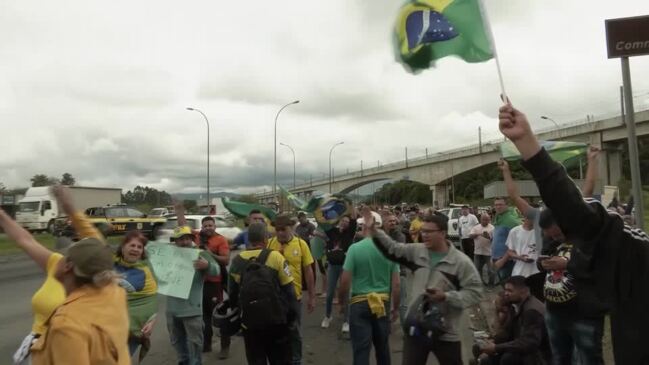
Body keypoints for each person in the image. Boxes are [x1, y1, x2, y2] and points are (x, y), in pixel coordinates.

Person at [498, 102, 649, 363]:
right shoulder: (637, 253)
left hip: (585, 311)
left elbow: (583, 198)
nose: (555, 234)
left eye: (557, 230)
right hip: (556, 310)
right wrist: (528, 144)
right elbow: (580, 211)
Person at [0, 186, 112, 365]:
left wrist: (70, 209)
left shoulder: (96, 282)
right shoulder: (58, 263)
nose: (66, 253)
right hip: (34, 348)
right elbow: (25, 240)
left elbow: (96, 244)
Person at [370, 213, 482, 365]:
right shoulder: (416, 251)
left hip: (446, 333)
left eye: (429, 232)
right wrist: (375, 230)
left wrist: (447, 297)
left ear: (442, 233)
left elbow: (475, 293)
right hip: (416, 328)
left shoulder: (461, 262)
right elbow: (392, 248)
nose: (424, 235)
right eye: (423, 231)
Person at [537, 209, 606, 365]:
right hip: (554, 312)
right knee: (560, 358)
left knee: (589, 359)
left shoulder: (589, 237)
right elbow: (543, 257)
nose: (553, 238)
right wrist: (542, 263)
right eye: (550, 235)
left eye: (556, 234)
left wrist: (568, 264)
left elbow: (602, 267)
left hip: (583, 315)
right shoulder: (552, 239)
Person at [228, 222, 298, 365]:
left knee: (256, 360)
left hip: (250, 323)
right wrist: (291, 318)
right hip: (276, 321)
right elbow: (289, 291)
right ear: (266, 239)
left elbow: (232, 293)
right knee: (280, 360)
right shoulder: (276, 257)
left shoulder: (237, 260)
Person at [339, 212, 400, 365]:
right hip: (382, 303)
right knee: (382, 347)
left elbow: (344, 282)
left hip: (359, 302)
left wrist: (342, 303)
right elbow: (397, 284)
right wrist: (396, 308)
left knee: (361, 349)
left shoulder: (354, 249)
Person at [164, 223, 219, 365]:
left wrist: (207, 266)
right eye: (180, 239)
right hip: (172, 309)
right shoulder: (168, 255)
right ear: (175, 241)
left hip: (192, 309)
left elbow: (216, 271)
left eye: (187, 238)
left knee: (195, 345)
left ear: (192, 239)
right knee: (177, 342)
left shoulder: (200, 253)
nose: (184, 242)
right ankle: (183, 362)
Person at [268, 214, 315, 365]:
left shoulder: (301, 245)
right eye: (278, 229)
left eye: (283, 229)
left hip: (294, 297)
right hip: (274, 298)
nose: (280, 233)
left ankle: (296, 360)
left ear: (291, 228)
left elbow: (309, 271)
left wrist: (312, 298)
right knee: (275, 332)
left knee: (294, 331)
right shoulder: (269, 244)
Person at [476, 276, 550, 365]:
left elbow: (529, 342)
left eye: (510, 291)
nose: (506, 293)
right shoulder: (515, 304)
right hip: (521, 348)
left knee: (508, 359)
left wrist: (497, 348)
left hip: (538, 355)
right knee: (482, 353)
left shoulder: (532, 311)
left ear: (523, 292)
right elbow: (509, 332)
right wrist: (493, 341)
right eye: (505, 290)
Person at [113, 230, 159, 360]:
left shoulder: (142, 270)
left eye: (139, 247)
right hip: (110, 326)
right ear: (123, 247)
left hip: (133, 330)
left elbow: (151, 295)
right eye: (132, 245)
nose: (136, 249)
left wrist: (153, 318)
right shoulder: (113, 263)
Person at [195, 216, 231, 358]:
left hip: (215, 282)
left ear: (215, 226)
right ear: (202, 227)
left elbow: (226, 260)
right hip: (199, 282)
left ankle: (225, 346)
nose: (208, 228)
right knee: (204, 316)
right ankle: (207, 344)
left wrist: (211, 254)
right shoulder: (198, 237)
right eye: (205, 226)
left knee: (218, 315)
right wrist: (179, 211)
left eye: (211, 225)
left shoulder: (221, 240)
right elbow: (183, 226)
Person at [322, 213, 358, 333]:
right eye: (343, 220)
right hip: (333, 266)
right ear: (339, 221)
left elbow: (353, 219)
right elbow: (324, 222)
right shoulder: (333, 232)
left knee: (346, 294)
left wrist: (348, 205)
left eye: (347, 222)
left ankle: (346, 321)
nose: (344, 223)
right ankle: (328, 316)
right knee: (330, 293)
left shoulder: (350, 233)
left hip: (345, 267)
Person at [491, 197, 521, 282]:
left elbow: (516, 245)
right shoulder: (498, 217)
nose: (498, 207)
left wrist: (503, 260)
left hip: (507, 261)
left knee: (510, 287)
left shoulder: (511, 220)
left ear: (507, 205)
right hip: (497, 259)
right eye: (496, 205)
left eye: (500, 204)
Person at [469, 214, 495, 286]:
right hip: (478, 252)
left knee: (491, 270)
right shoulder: (476, 227)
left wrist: (488, 237)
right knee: (477, 269)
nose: (485, 221)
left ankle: (491, 283)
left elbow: (495, 240)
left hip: (488, 252)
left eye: (487, 220)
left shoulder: (492, 228)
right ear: (480, 219)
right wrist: (479, 234)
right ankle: (481, 283)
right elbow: (470, 236)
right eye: (483, 219)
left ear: (489, 220)